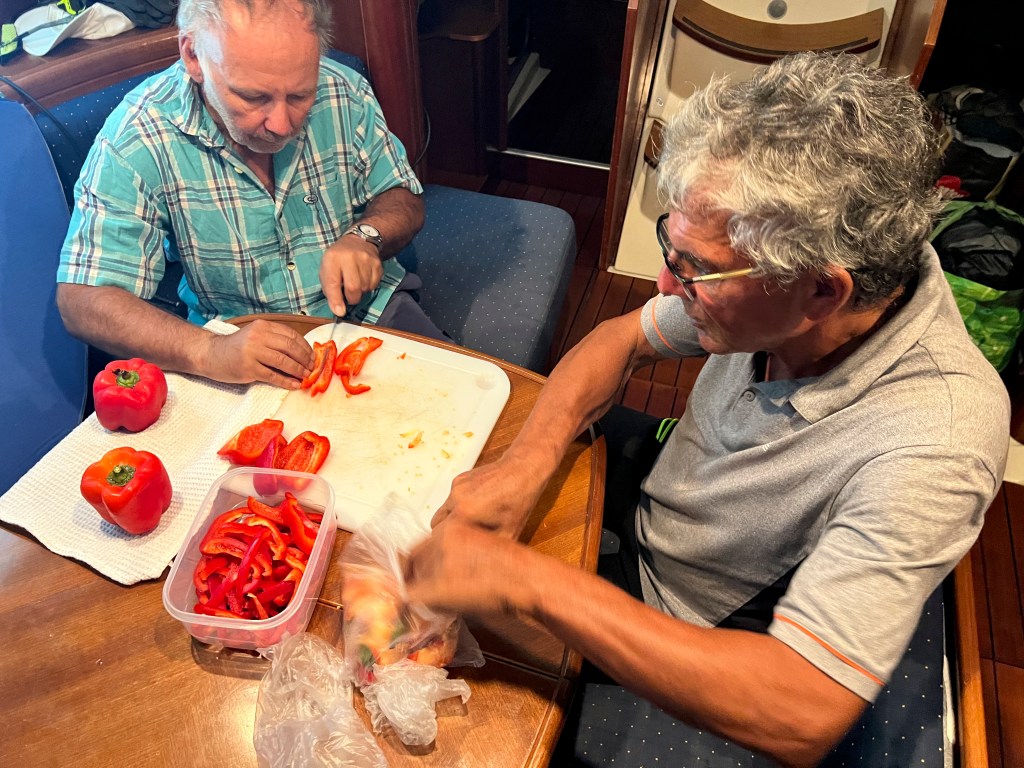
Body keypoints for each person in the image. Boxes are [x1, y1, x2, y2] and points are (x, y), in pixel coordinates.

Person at [405, 52, 1010, 766]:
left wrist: (524, 582)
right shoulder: (790, 290)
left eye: (697, 269)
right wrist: (525, 467)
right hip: (660, 494)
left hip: (689, 623)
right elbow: (619, 339)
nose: (666, 284)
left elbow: (803, 711)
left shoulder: (937, 439)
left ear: (823, 291)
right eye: (674, 246)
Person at [55, 0, 440, 389]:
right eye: (253, 98)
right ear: (193, 55)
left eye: (300, 96)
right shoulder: (137, 137)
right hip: (236, 345)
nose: (282, 125)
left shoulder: (345, 91)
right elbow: (82, 300)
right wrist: (208, 351)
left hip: (372, 313)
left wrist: (366, 237)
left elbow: (403, 198)